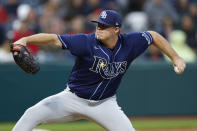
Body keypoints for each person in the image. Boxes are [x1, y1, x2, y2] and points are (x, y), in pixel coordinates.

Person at [12, 10, 186, 131]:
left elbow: (153, 36)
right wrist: (25, 40)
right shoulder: (85, 42)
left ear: (116, 29)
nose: (99, 29)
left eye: (104, 26)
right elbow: (53, 39)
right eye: (98, 24)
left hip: (105, 104)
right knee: (31, 114)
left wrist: (175, 57)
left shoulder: (130, 43)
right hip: (72, 98)